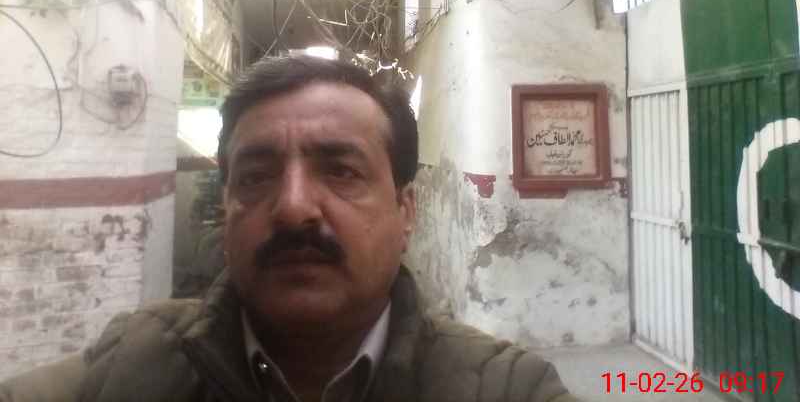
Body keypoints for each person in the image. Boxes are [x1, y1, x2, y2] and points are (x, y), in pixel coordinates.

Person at [0, 55, 579, 402]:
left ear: (406, 209)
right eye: (256, 176)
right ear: (226, 207)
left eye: (341, 171)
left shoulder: (505, 388)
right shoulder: (128, 367)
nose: (293, 208)